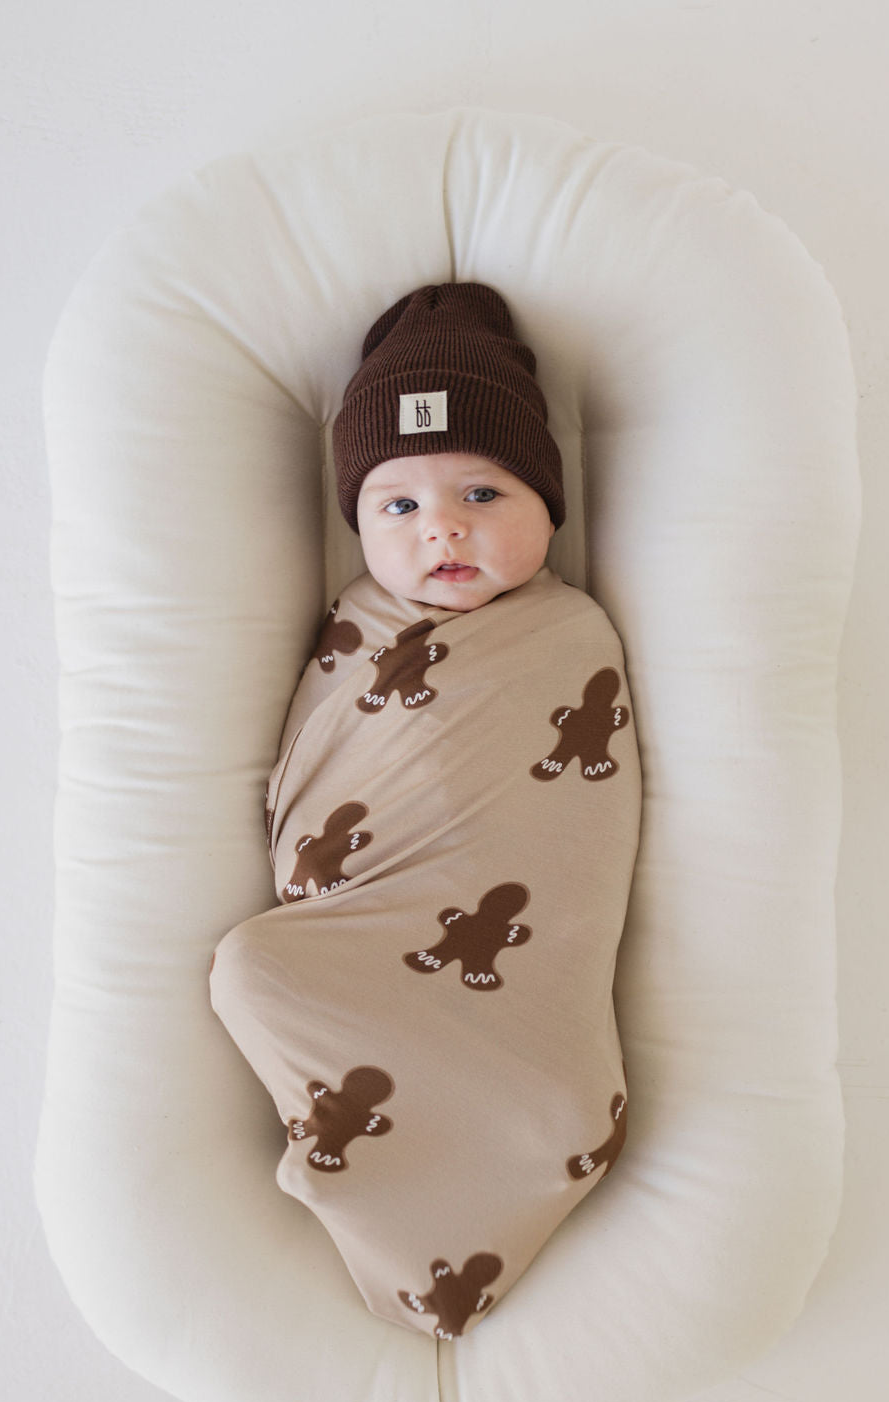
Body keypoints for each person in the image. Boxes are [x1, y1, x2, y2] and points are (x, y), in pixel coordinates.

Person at [209, 284, 641, 1340]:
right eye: (396, 505)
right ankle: (427, 1139)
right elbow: (321, 755)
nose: (441, 524)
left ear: (548, 507)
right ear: (356, 523)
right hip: (363, 921)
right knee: (256, 969)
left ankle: (537, 1105)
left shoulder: (569, 634)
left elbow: (573, 829)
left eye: (483, 493)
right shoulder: (349, 623)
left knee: (256, 968)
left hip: (491, 920)